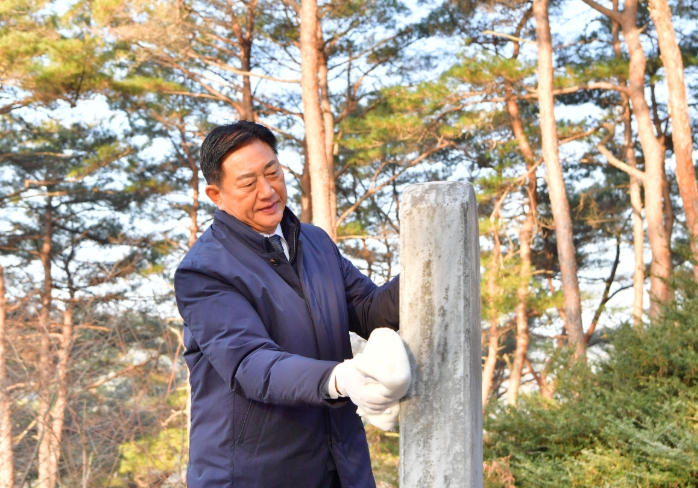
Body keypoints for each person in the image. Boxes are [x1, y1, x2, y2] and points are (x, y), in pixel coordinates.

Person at [174, 121, 400, 488]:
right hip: (255, 475)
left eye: (273, 173)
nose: (267, 191)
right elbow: (250, 363)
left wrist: (424, 271)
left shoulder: (316, 243)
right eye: (248, 183)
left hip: (343, 467)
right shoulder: (204, 271)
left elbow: (369, 309)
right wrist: (339, 378)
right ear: (216, 194)